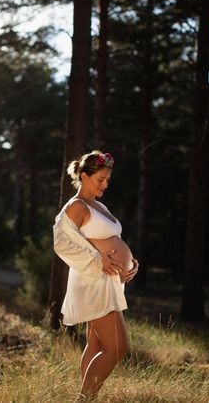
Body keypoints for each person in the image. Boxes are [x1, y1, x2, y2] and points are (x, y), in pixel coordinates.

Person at [53, 150, 139, 401]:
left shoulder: (97, 205)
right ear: (83, 176)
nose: (105, 184)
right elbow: (61, 243)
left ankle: (86, 398)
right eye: (100, 179)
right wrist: (97, 260)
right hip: (92, 281)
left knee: (97, 345)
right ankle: (84, 400)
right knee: (118, 347)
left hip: (107, 281)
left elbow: (111, 239)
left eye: (107, 180)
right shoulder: (77, 206)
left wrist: (131, 263)